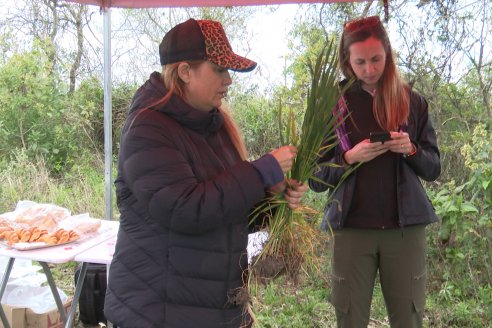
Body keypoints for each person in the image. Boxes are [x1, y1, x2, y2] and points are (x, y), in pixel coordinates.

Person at [103, 18, 307, 328]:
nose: (229, 80)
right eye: (219, 70)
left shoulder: (215, 126)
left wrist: (273, 196)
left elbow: (227, 211)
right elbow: (185, 209)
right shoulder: (148, 128)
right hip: (159, 312)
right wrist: (259, 172)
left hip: (212, 307)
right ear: (185, 72)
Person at [309, 15, 441, 328]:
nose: (369, 69)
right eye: (360, 62)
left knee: (408, 319)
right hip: (351, 228)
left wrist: (409, 149)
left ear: (387, 54)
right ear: (347, 61)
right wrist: (348, 158)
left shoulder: (413, 101)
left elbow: (433, 168)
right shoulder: (332, 103)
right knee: (350, 319)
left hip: (405, 231)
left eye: (376, 59)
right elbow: (314, 176)